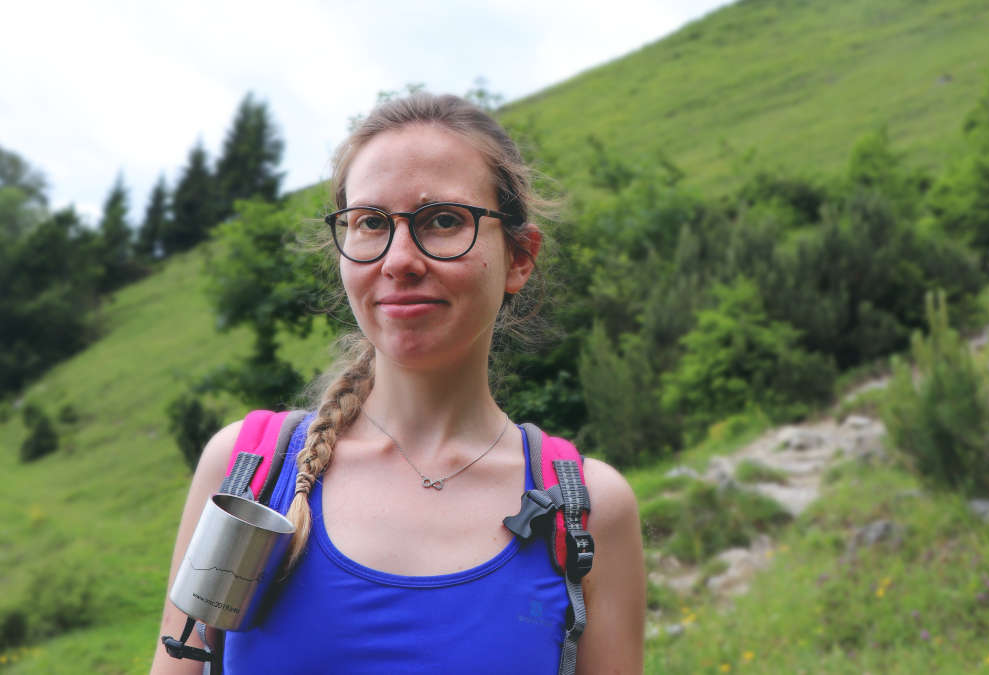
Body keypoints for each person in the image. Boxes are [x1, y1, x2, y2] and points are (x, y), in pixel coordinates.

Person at [152, 93, 645, 674]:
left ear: (518, 257)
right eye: (370, 223)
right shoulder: (247, 473)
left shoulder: (589, 510)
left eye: (443, 221)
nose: (399, 260)